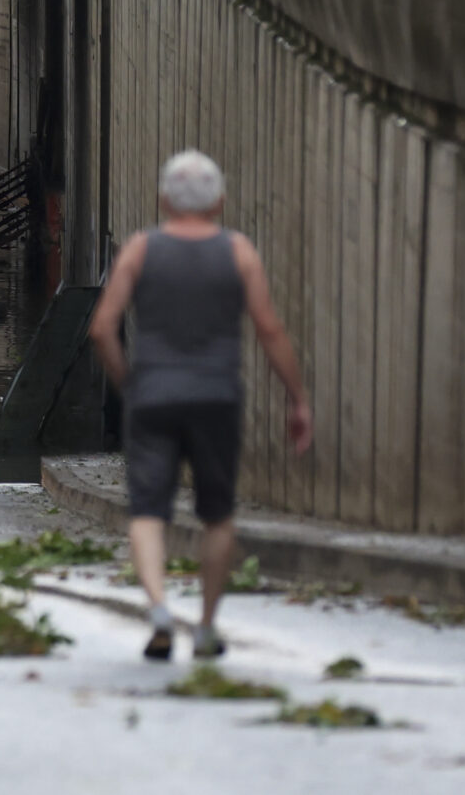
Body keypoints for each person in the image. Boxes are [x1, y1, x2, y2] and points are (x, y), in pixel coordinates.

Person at [87, 150, 311, 663]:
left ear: (164, 200)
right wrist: (297, 399)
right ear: (221, 202)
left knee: (147, 511)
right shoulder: (239, 253)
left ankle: (161, 609)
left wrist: (130, 384)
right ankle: (206, 626)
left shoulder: (140, 251)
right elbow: (270, 330)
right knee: (217, 515)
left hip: (154, 396)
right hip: (217, 396)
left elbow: (102, 327)